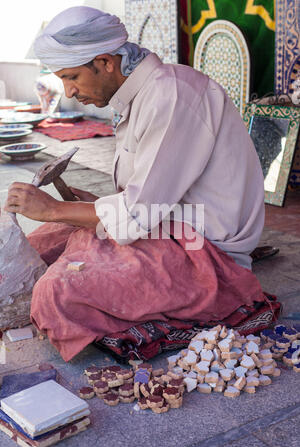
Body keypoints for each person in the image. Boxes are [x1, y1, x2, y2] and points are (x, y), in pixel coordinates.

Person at [4, 7, 277, 362]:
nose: (69, 92)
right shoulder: (143, 94)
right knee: (43, 242)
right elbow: (148, 196)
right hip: (166, 224)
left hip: (206, 252)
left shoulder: (171, 95)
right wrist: (84, 208)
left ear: (104, 62)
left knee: (56, 291)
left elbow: (138, 212)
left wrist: (55, 208)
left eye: (71, 77)